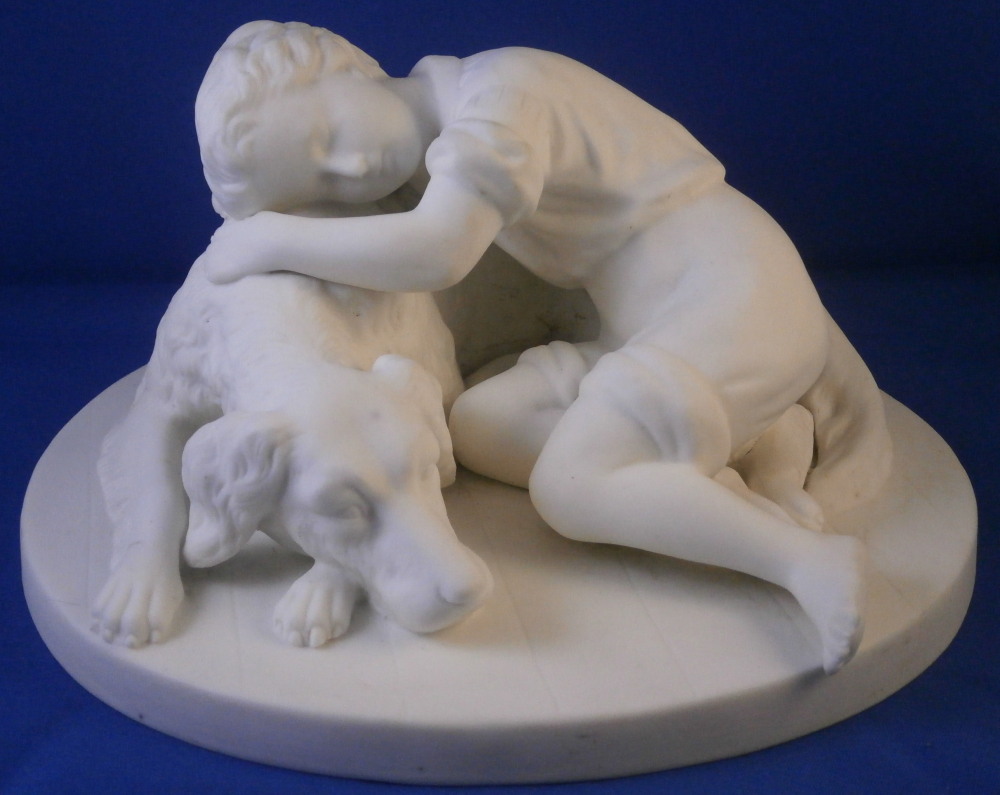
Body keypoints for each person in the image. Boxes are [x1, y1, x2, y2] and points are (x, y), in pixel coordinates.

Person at [196, 20, 892, 673]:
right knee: (478, 423)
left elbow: (440, 251)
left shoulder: (503, 93)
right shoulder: (436, 153)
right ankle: (751, 440)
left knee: (570, 486)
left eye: (327, 133)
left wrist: (271, 238)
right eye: (322, 182)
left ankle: (805, 561)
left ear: (349, 65)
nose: (352, 167)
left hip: (729, 291)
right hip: (638, 328)